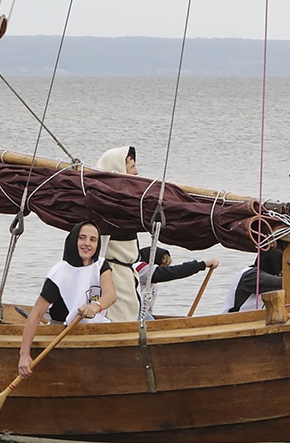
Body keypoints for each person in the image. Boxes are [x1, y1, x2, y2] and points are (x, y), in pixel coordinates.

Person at [18, 221, 117, 378]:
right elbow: (36, 314)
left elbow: (110, 295)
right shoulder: (59, 274)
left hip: (96, 328)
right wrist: (24, 355)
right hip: (63, 331)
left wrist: (95, 307)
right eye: (82, 238)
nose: (87, 244)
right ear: (73, 240)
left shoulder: (101, 264)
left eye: (93, 240)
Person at [95, 145, 141, 322]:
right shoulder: (106, 208)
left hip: (127, 277)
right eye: (132, 166)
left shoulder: (124, 206)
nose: (136, 172)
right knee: (119, 321)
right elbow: (98, 253)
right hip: (114, 279)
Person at [136, 245, 219, 318]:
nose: (163, 268)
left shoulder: (153, 283)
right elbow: (175, 272)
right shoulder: (139, 268)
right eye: (161, 266)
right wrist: (202, 264)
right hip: (131, 315)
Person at [221, 248, 284, 313]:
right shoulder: (251, 276)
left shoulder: (254, 273)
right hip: (232, 319)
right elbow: (279, 283)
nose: (281, 272)